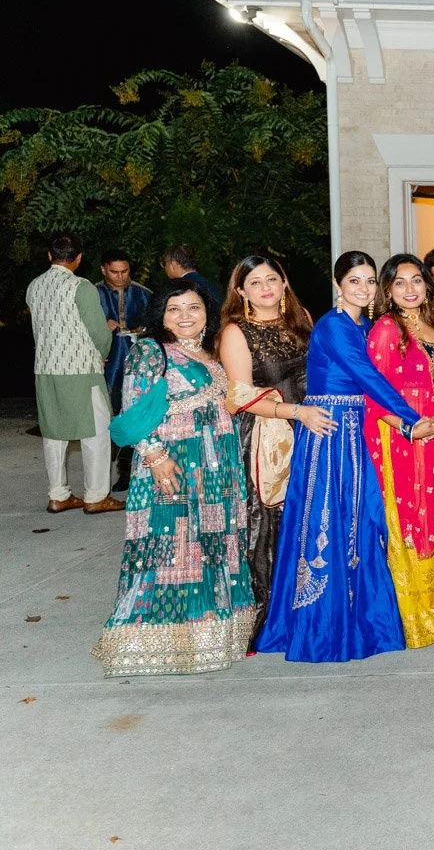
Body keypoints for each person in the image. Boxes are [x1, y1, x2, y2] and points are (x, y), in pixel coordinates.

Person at [257, 251, 434, 663]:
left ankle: (362, 622)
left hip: (359, 433)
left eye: (371, 281)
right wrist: (410, 421)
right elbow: (367, 376)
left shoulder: (367, 326)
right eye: (355, 280)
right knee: (326, 523)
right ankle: (320, 627)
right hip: (329, 432)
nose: (364, 288)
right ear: (339, 285)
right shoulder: (334, 325)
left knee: (361, 522)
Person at [92, 276, 256, 676]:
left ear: (207, 314)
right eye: (175, 309)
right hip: (174, 465)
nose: (186, 317)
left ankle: (213, 638)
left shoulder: (209, 353)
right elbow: (131, 412)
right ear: (161, 315)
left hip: (217, 471)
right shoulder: (150, 351)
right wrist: (155, 456)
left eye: (194, 308)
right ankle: (152, 641)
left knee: (213, 547)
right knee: (169, 549)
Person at [219, 254, 328, 651]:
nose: (265, 287)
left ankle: (309, 610)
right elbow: (240, 395)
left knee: (311, 520)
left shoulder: (302, 319)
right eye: (255, 282)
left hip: (313, 427)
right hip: (269, 434)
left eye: (272, 279)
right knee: (268, 527)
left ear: (284, 282)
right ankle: (270, 617)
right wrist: (294, 412)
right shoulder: (237, 331)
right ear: (241, 291)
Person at [366, 254, 434, 648]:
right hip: (403, 438)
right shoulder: (387, 329)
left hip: (432, 430)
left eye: (416, 280)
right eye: (400, 282)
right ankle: (412, 616)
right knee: (410, 517)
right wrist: (408, 427)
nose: (410, 289)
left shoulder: (432, 324)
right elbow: (373, 392)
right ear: (387, 289)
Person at [26, 232, 123, 514]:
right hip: (81, 369)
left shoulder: (34, 286)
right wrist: (103, 353)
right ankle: (96, 496)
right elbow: (98, 330)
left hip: (45, 369)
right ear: (79, 259)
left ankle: (58, 495)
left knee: (54, 433)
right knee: (96, 433)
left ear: (49, 256)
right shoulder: (81, 287)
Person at [96, 250, 152, 490]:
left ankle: (126, 472)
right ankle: (97, 479)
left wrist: (142, 331)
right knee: (103, 419)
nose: (120, 277)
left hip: (136, 368)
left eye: (125, 271)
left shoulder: (143, 294)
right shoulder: (93, 294)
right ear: (103, 270)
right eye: (114, 272)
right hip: (105, 367)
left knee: (132, 416)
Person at [161, 243, 221, 309]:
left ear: (173, 264)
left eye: (164, 264)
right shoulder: (209, 285)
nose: (164, 268)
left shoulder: (180, 288)